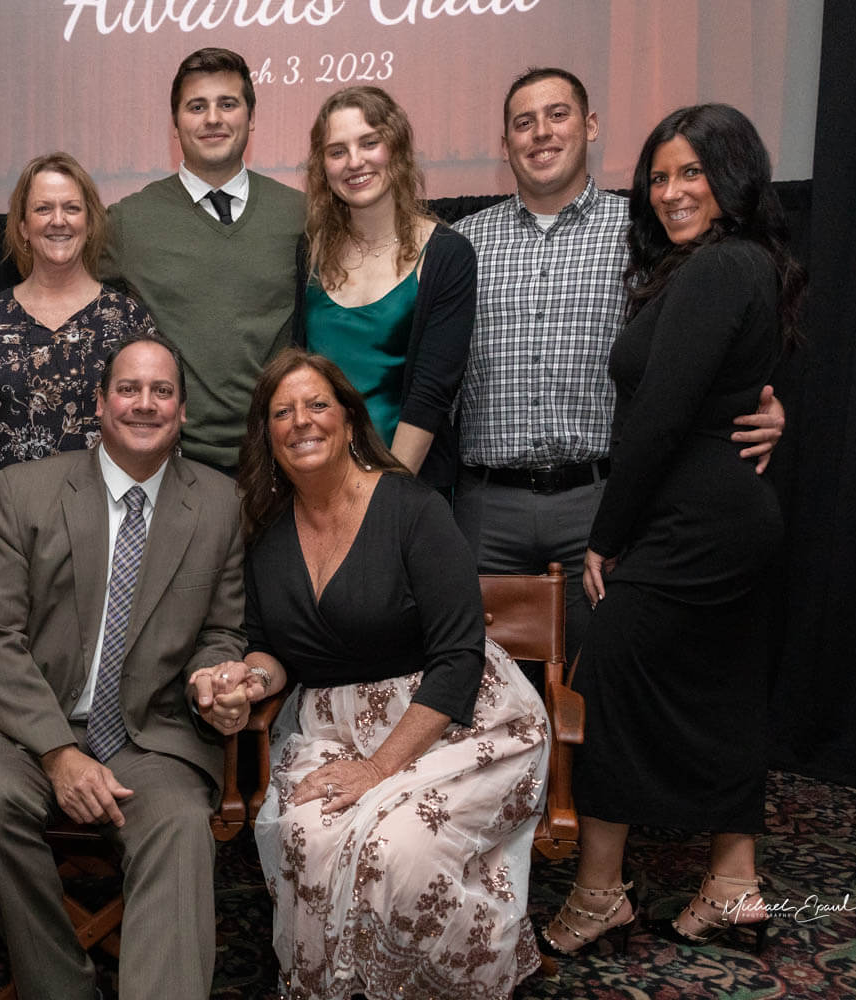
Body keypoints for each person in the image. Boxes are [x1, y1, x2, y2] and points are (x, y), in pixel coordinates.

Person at [543, 104, 805, 958]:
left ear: (732, 177)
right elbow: (733, 391)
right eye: (658, 176)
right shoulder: (735, 265)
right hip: (726, 517)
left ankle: (597, 896)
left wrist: (605, 536)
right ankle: (733, 887)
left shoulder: (720, 266)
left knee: (609, 674)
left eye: (690, 172)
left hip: (694, 523)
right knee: (727, 693)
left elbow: (659, 415)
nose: (670, 191)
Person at [229, 348, 549, 999]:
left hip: (454, 722)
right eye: (282, 412)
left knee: (397, 848)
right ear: (267, 436)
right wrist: (248, 681)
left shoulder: (412, 508)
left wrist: (380, 769)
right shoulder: (262, 535)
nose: (301, 421)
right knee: (305, 833)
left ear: (349, 420)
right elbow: (269, 651)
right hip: (330, 732)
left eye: (317, 404)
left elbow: (459, 656)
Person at [0, 333, 249, 1000]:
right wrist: (58, 752)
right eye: (129, 389)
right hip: (25, 727)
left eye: (162, 391)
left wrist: (214, 677)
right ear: (100, 404)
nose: (145, 403)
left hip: (151, 732)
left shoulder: (221, 504)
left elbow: (223, 632)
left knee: (178, 828)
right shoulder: (23, 493)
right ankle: (61, 985)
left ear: (184, 412)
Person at [451, 67, 784, 655]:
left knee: (599, 684)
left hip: (601, 504)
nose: (541, 134)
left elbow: (711, 344)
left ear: (592, 125)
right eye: (522, 123)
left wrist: (760, 403)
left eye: (558, 115)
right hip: (486, 510)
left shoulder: (646, 231)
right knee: (479, 688)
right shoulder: (461, 244)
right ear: (505, 147)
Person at [0, 152, 156, 607]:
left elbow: (155, 429)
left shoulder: (127, 319)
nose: (58, 221)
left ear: (90, 221)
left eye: (72, 208)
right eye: (43, 208)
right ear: (22, 225)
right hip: (8, 542)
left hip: (111, 539)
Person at [101, 47, 305, 472]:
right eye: (197, 107)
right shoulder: (127, 222)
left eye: (227, 104)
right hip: (172, 464)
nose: (213, 118)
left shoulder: (301, 215)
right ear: (175, 124)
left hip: (279, 460)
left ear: (251, 117)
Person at [294, 86, 475, 496]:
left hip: (406, 487)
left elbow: (431, 394)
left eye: (369, 142)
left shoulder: (448, 254)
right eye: (337, 151)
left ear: (396, 147)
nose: (354, 162)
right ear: (323, 167)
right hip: (317, 485)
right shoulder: (311, 250)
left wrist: (385, 500)